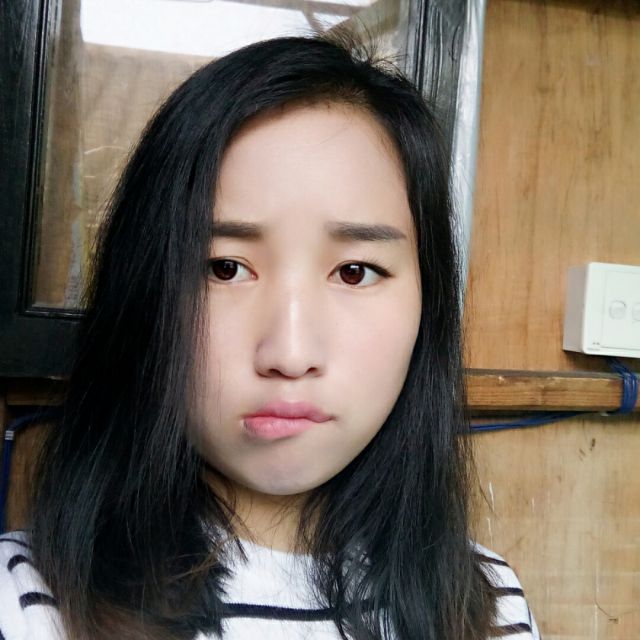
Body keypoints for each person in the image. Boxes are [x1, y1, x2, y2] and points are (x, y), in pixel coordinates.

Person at [0, 28, 541, 640]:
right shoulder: (27, 605)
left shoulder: (490, 609)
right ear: (143, 293)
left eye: (355, 272)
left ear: (429, 302)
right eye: (224, 268)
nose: (290, 354)